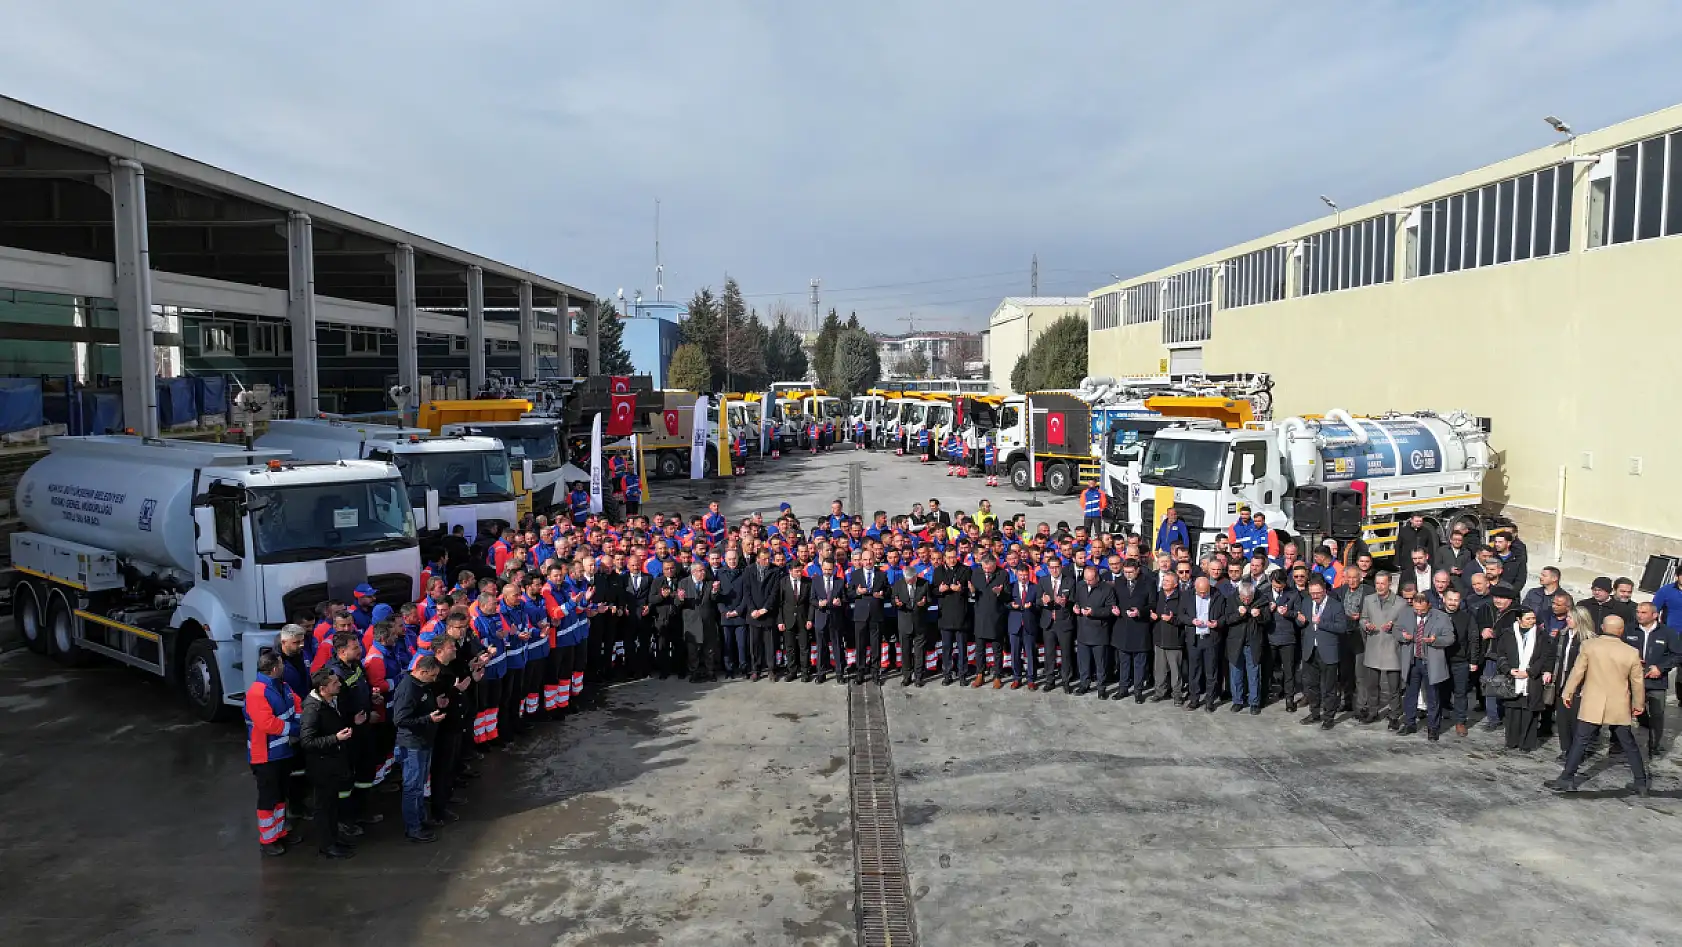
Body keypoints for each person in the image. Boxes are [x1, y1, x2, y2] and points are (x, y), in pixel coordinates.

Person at [1546, 615, 1651, 795]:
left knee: (1580, 741)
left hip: (1593, 701)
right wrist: (1638, 704)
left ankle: (1567, 779)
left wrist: (1567, 692)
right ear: (1621, 630)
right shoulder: (1631, 652)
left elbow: (1577, 672)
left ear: (1602, 627)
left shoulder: (1589, 646)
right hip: (1619, 703)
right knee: (1629, 744)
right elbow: (1637, 682)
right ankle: (1641, 783)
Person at [244, 651, 302, 856]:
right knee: (269, 798)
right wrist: (296, 729)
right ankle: (267, 839)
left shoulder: (282, 687)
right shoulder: (257, 693)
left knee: (279, 796)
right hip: (266, 756)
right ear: (275, 668)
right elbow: (267, 724)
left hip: (282, 753)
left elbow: (297, 705)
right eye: (281, 664)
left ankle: (279, 832)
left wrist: (300, 721)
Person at [299, 669, 357, 858]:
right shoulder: (313, 709)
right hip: (322, 767)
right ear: (323, 688)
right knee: (324, 807)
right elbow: (307, 741)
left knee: (333, 804)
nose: (339, 684)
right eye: (334, 683)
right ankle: (327, 845)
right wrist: (335, 738)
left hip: (333, 763)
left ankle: (334, 838)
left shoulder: (330, 702)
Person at [391, 654, 447, 843]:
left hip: (423, 741)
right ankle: (413, 827)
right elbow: (400, 720)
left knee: (420, 784)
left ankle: (421, 819)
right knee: (412, 787)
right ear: (422, 671)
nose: (434, 680)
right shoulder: (409, 689)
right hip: (412, 744)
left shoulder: (421, 685)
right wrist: (428, 719)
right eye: (432, 676)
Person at [1494, 608, 1556, 752]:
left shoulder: (1541, 635)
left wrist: (1530, 672)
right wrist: (1509, 669)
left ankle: (1526, 743)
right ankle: (1512, 741)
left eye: (1533, 618)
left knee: (1530, 711)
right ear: (1519, 619)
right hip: (1513, 679)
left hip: (1532, 679)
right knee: (1512, 711)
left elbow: (1546, 656)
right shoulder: (1508, 634)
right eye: (1528, 619)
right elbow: (1501, 654)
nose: (1532, 621)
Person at [1623, 602, 1680, 760]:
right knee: (1624, 712)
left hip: (1656, 682)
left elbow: (1677, 655)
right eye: (1638, 612)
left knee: (1656, 714)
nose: (1639, 615)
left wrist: (1661, 668)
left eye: (1643, 612)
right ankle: (1620, 743)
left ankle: (1653, 745)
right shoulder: (1629, 630)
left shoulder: (1667, 633)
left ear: (1654, 615)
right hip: (1631, 681)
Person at [1396, 592, 1454, 739]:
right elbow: (1396, 630)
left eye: (1422, 610)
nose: (1419, 612)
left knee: (1433, 696)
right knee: (1410, 694)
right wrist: (1404, 636)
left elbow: (1450, 638)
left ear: (1429, 605)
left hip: (1431, 662)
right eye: (1416, 609)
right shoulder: (1406, 613)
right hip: (1412, 661)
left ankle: (1433, 728)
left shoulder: (1441, 617)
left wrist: (1435, 640)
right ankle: (1410, 723)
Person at [1357, 572, 1405, 728]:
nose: (1379, 586)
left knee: (1394, 688)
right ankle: (1373, 711)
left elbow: (1405, 625)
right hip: (1374, 646)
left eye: (1382, 583)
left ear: (1390, 583)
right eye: (1377, 583)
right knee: (1372, 685)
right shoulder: (1369, 600)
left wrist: (1394, 626)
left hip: (1392, 649)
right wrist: (1366, 625)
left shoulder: (1401, 603)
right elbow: (1363, 618)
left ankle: (1394, 715)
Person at [1299, 577, 1347, 730]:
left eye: (1317, 593)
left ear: (1324, 591)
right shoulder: (1306, 602)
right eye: (1312, 593)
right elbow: (1302, 622)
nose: (1314, 596)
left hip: (1328, 651)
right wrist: (1300, 621)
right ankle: (1314, 713)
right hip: (1310, 650)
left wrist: (1322, 623)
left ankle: (1328, 717)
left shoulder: (1336, 606)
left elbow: (1341, 627)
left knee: (1329, 687)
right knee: (1311, 685)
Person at [1180, 575, 1228, 711]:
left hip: (1211, 638)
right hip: (1194, 639)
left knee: (1211, 672)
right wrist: (1191, 621)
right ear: (1195, 588)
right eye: (1200, 592)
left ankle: (1210, 701)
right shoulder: (1187, 596)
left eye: (1205, 592)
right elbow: (1181, 615)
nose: (1202, 594)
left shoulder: (1218, 596)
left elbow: (1225, 616)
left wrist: (1217, 623)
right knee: (1194, 672)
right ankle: (1194, 700)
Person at [1109, 558, 1153, 703]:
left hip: (1140, 628)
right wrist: (1115, 609)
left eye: (1130, 572)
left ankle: (1138, 691)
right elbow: (1113, 600)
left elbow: (1152, 604)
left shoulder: (1148, 582)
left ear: (1137, 570)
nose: (1127, 575)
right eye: (1125, 572)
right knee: (1124, 662)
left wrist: (1140, 612)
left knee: (1139, 663)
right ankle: (1123, 689)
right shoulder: (1119, 582)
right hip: (1123, 627)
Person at [1073, 564, 1118, 696]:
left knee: (1101, 663)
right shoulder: (1080, 586)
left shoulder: (1107, 589)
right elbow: (1077, 601)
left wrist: (1094, 612)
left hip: (1099, 631)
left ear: (1097, 577)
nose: (1088, 582)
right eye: (1086, 579)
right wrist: (1076, 607)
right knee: (1083, 662)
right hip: (1083, 630)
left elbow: (1111, 610)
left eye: (1090, 580)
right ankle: (1084, 684)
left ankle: (1101, 688)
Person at [933, 548, 973, 686]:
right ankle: (947, 674)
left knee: (962, 648)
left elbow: (971, 590)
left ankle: (962, 675)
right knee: (946, 648)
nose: (952, 559)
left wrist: (961, 589)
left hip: (961, 614)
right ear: (944, 558)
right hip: (945, 615)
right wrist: (939, 590)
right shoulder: (938, 571)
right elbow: (932, 590)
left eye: (954, 556)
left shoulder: (965, 570)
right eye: (949, 557)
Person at [1225, 580, 1266, 714]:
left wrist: (1259, 616)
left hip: (1253, 642)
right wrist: (1239, 615)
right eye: (1244, 598)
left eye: (1249, 598)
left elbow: (1268, 620)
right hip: (1236, 642)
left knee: (1254, 674)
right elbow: (1227, 619)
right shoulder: (1232, 599)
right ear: (1239, 595)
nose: (1247, 601)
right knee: (1236, 673)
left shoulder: (1261, 599)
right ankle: (1237, 701)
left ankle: (1254, 702)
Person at [743, 548, 783, 682]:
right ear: (758, 559)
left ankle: (772, 669)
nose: (767, 561)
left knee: (770, 644)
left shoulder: (775, 571)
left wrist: (765, 608)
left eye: (768, 558)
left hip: (768, 613)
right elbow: (747, 592)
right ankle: (756, 669)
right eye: (764, 559)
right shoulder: (749, 570)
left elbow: (775, 592)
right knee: (755, 644)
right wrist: (753, 609)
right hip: (753, 614)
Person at [971, 554, 1011, 687]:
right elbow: (972, 595)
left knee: (997, 649)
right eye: (985, 568)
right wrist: (971, 592)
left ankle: (998, 675)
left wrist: (1000, 593)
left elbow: (1008, 596)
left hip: (996, 617)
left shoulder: (1002, 574)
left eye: (990, 569)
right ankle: (980, 674)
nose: (987, 571)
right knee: (980, 649)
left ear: (995, 565)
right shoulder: (976, 573)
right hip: (980, 616)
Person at [1041, 555, 1076, 693]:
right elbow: (1037, 600)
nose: (1054, 570)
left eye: (1057, 567)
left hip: (1064, 622)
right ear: (1048, 568)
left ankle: (1066, 680)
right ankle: (1050, 680)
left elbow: (1074, 599)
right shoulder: (1043, 581)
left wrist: (1065, 603)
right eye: (1052, 567)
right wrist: (1043, 601)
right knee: (1049, 653)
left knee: (1066, 653)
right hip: (1048, 623)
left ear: (1061, 567)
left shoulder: (1069, 581)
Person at [678, 561, 718, 683]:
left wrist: (715, 592)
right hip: (691, 622)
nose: (703, 573)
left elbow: (714, 600)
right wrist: (680, 598)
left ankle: (710, 672)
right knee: (693, 651)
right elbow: (678, 604)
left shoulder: (709, 583)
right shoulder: (684, 583)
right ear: (693, 572)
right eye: (700, 571)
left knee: (709, 650)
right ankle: (694, 672)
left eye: (704, 570)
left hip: (707, 622)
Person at [894, 563, 932, 687]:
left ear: (916, 577)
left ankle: (919, 677)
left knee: (919, 652)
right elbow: (892, 600)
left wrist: (924, 604)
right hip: (904, 623)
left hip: (919, 623)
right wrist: (897, 604)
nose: (910, 582)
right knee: (905, 652)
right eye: (908, 581)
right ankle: (906, 676)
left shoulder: (924, 584)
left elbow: (930, 600)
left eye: (912, 580)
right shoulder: (898, 585)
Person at [1151, 570, 1186, 703]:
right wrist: (1152, 616)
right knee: (1159, 669)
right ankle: (1159, 692)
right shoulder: (1158, 595)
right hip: (1159, 637)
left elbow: (1183, 618)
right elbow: (1152, 610)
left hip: (1174, 639)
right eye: (1163, 580)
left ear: (1175, 584)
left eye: (1167, 581)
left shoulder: (1182, 597)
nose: (1164, 583)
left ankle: (1177, 694)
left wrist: (1172, 620)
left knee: (1175, 670)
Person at [811, 560, 848, 685]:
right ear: (822, 568)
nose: (827, 572)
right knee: (821, 647)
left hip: (835, 618)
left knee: (837, 646)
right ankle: (821, 673)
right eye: (825, 569)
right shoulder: (816, 581)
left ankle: (839, 673)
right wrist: (818, 604)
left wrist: (840, 603)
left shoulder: (840, 582)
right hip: (821, 618)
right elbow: (812, 599)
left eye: (830, 570)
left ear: (834, 569)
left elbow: (845, 599)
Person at [1005, 563, 1040, 690]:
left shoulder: (1035, 588)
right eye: (1021, 575)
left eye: (1025, 575)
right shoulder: (1011, 587)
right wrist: (1011, 605)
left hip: (1029, 625)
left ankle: (1031, 679)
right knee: (1015, 654)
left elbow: (1039, 605)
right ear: (1017, 575)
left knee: (1030, 654)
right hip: (1015, 625)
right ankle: (1017, 678)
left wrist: (1033, 606)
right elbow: (1005, 603)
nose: (1023, 577)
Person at [780, 554, 813, 683]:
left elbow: (811, 602)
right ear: (790, 571)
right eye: (796, 571)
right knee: (790, 647)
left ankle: (805, 672)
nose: (799, 573)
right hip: (788, 619)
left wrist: (810, 619)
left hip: (803, 619)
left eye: (800, 571)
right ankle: (792, 671)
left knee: (804, 647)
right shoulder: (783, 582)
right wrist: (780, 621)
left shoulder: (807, 582)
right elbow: (780, 603)